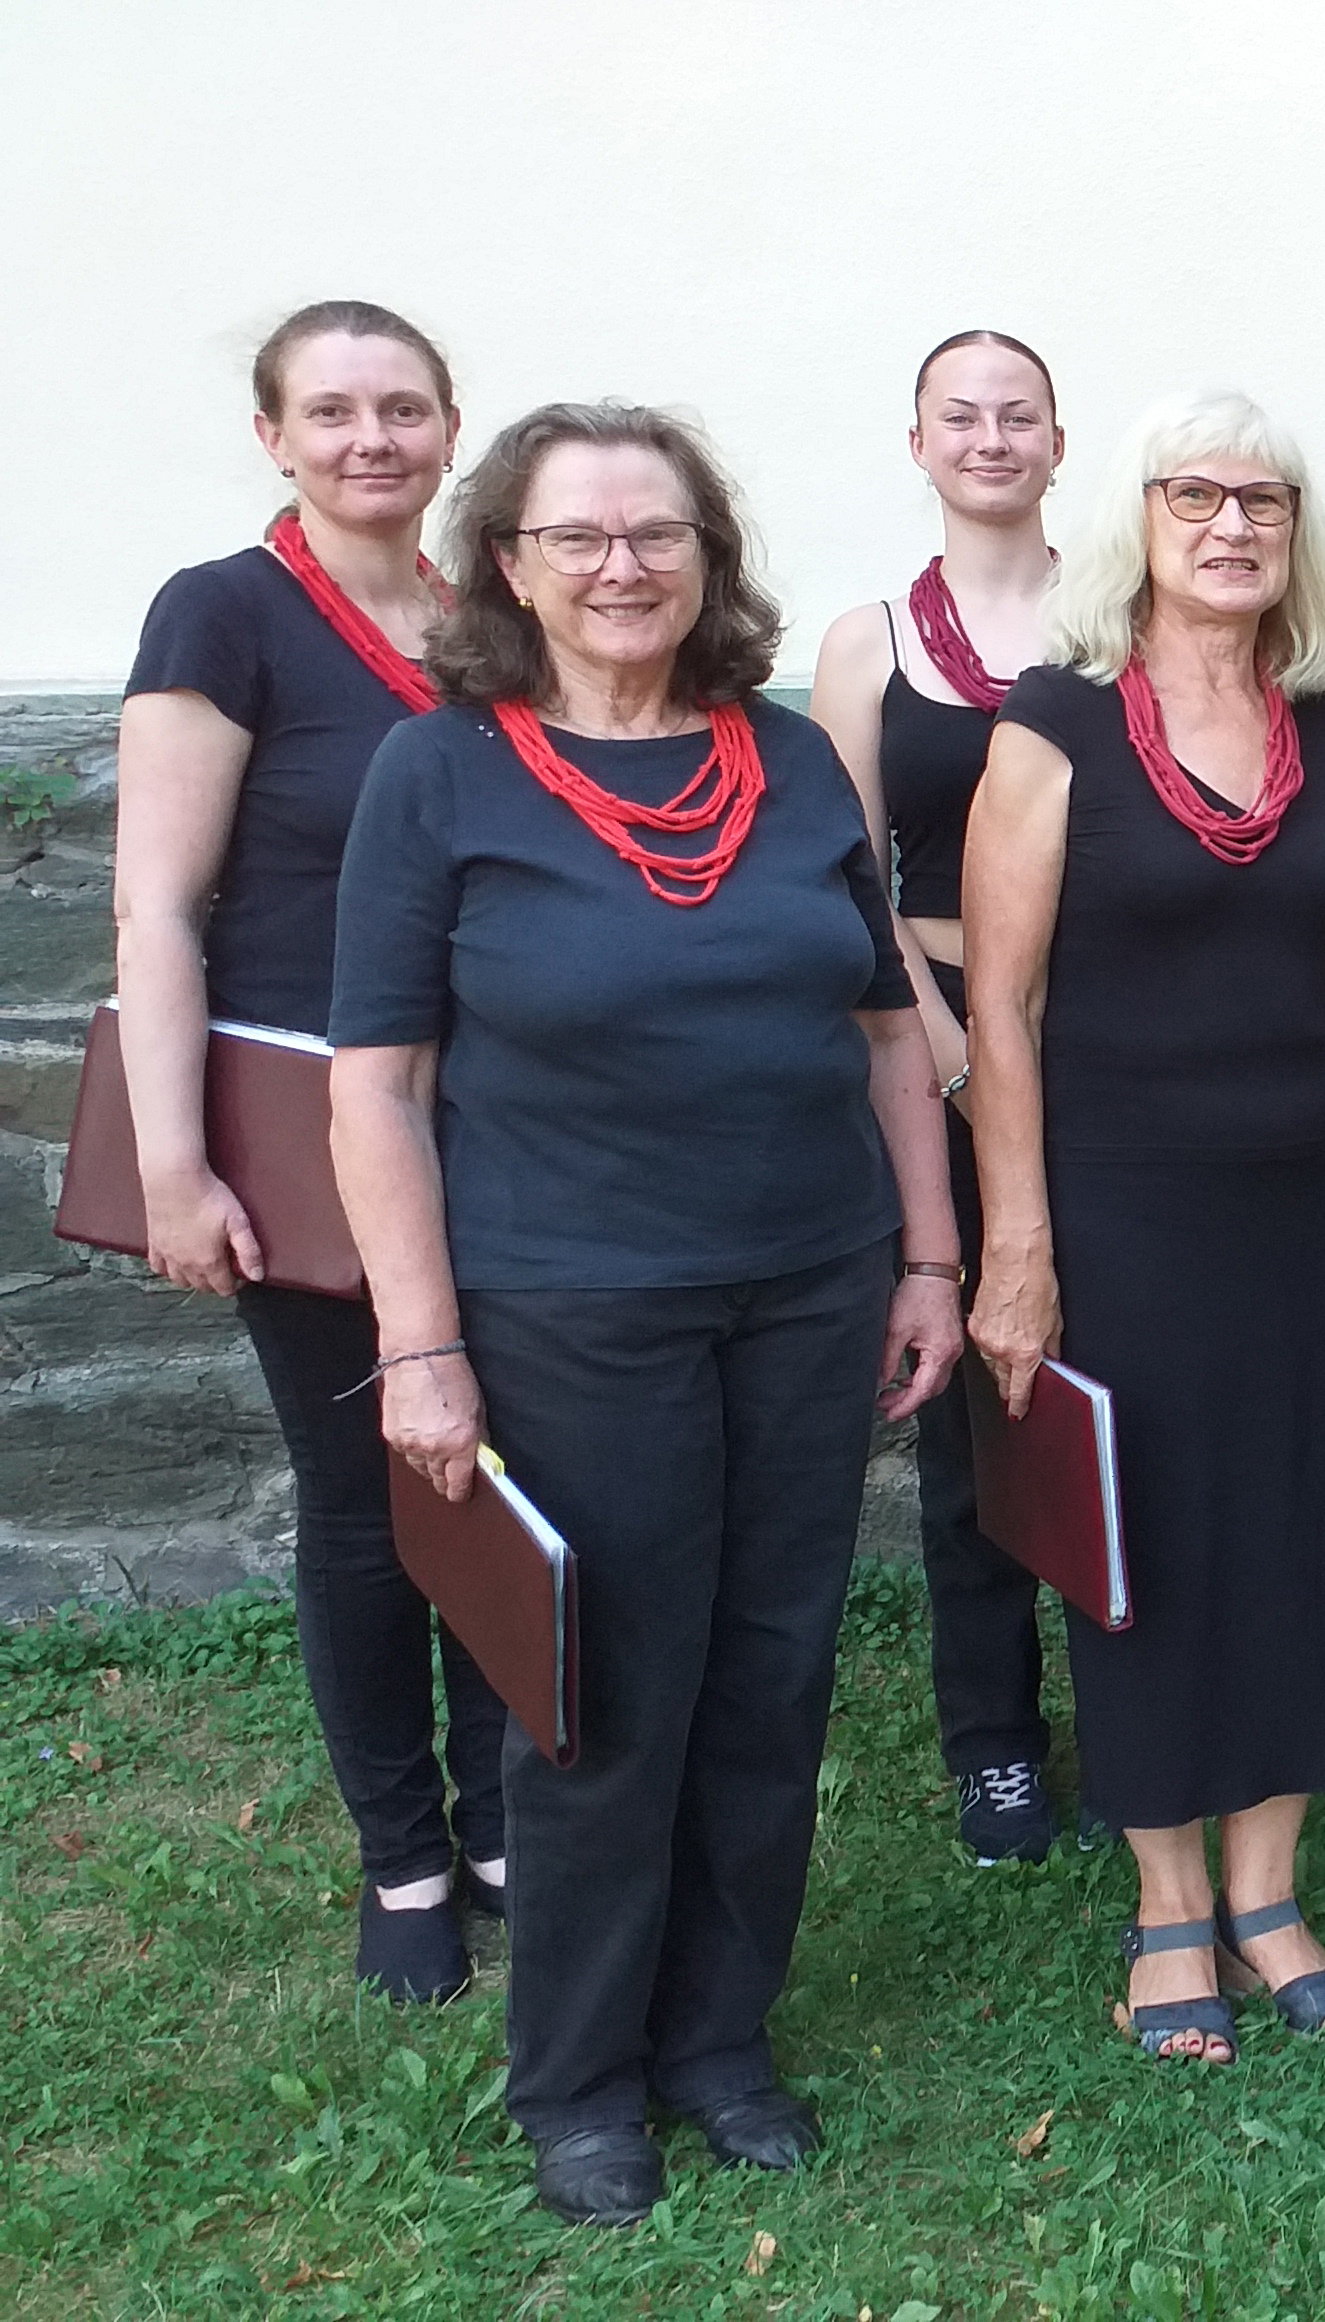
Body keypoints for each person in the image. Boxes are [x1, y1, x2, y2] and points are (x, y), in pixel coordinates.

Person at [326, 400, 963, 2223]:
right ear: (509, 565)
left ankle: (718, 2040)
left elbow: (882, 1029)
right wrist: (423, 1341)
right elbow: (375, 1084)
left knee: (770, 1679)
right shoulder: (438, 774)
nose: (624, 567)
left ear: (709, 558)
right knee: (597, 1698)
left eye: (659, 534)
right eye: (580, 537)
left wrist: (925, 1255)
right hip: (572, 1303)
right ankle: (583, 2076)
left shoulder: (786, 757)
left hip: (808, 1284)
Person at [959, 391, 1325, 2065]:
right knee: (1144, 1547)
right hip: (1123, 1203)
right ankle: (1168, 1902)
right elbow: (998, 1007)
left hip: (1302, 1201)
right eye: (1196, 495)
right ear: (1138, 520)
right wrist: (1018, 1245)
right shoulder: (1056, 721)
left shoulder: (1320, 711)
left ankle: (1273, 1891)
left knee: (1306, 1524)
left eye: (1264, 500)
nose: (1232, 525)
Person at [112, 301, 509, 2005]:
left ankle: (503, 1818)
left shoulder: (491, 617)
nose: (373, 439)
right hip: (306, 1130)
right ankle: (405, 1859)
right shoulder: (226, 615)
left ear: (446, 428)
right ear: (276, 434)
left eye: (403, 408)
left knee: (500, 1479)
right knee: (365, 1505)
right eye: (334, 411)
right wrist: (171, 1162)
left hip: (501, 1120)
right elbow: (156, 904)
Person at [804, 328, 1073, 1865]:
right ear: (917, 442)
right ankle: (994, 1736)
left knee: (1122, 1366)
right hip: (933, 1028)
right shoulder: (867, 645)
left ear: (1057, 437)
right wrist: (961, 1051)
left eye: (1016, 413)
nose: (989, 437)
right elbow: (847, 879)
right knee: (981, 1385)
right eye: (959, 416)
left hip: (1103, 1025)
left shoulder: (1114, 617)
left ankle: (1134, 1681)